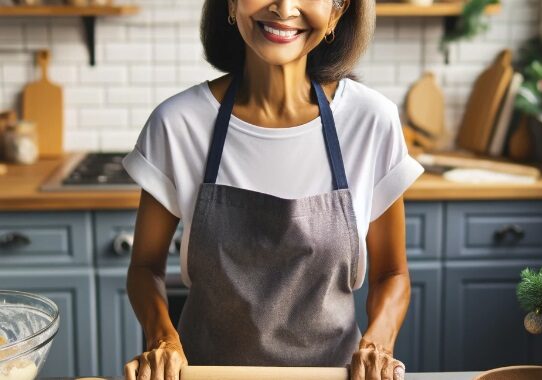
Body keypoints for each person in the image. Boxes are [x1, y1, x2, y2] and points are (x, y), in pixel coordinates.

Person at [122, 0, 425, 379]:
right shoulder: (177, 123)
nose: (283, 7)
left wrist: (378, 343)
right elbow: (145, 267)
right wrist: (162, 338)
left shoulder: (371, 122)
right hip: (206, 374)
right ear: (231, 4)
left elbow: (392, 274)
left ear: (337, 11)